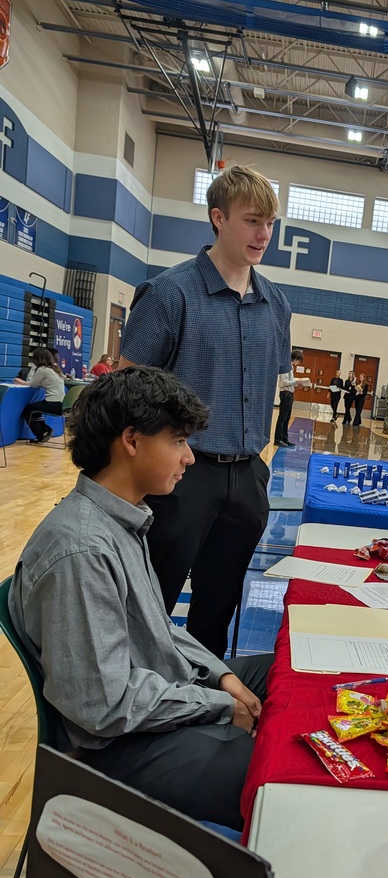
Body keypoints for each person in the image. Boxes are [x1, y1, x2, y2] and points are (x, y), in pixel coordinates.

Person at [9, 367, 274, 830]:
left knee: (287, 673)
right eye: (177, 441)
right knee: (277, 776)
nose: (190, 458)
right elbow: (103, 706)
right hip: (118, 747)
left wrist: (222, 675)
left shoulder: (124, 519)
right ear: (131, 441)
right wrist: (214, 704)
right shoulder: (82, 549)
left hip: (152, 696)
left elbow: (160, 632)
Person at [119, 165, 292, 659]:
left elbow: (270, 386)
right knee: (152, 607)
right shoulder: (170, 294)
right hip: (179, 477)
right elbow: (126, 391)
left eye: (271, 223)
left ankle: (204, 706)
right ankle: (139, 711)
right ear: (218, 218)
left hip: (247, 478)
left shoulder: (276, 305)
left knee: (217, 612)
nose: (264, 234)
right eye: (253, 221)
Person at [13, 347, 65, 443]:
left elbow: (33, 385)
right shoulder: (55, 369)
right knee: (36, 410)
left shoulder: (42, 369)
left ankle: (41, 433)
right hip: (61, 404)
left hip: (53, 404)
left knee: (28, 410)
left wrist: (20, 381)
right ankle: (45, 431)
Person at [274, 347, 311, 448]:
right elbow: (283, 382)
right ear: (295, 358)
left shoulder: (290, 367)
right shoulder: (285, 367)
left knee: (287, 417)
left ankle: (284, 438)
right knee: (282, 417)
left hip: (290, 393)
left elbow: (290, 382)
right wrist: (296, 381)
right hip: (285, 393)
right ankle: (278, 439)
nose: (299, 363)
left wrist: (297, 384)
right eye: (299, 360)